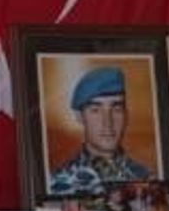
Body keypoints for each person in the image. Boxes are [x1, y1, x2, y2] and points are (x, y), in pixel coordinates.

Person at [48, 66, 153, 195]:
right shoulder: (58, 183)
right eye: (95, 110)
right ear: (79, 116)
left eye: (116, 109)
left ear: (126, 114)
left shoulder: (147, 180)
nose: (107, 123)